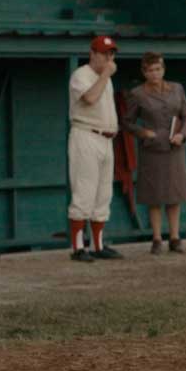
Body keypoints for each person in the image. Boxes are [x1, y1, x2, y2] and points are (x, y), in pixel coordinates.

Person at [122, 52, 186, 254]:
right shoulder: (138, 94)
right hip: (151, 149)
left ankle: (175, 237)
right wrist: (143, 132)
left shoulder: (177, 88)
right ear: (144, 72)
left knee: (175, 193)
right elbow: (127, 122)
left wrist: (182, 134)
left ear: (164, 69)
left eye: (158, 69)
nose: (155, 73)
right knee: (154, 195)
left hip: (174, 147)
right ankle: (156, 238)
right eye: (151, 70)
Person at [66, 35, 124, 262]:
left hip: (106, 138)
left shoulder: (105, 78)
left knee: (103, 193)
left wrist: (106, 75)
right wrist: (106, 74)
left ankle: (98, 244)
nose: (109, 58)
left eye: (111, 54)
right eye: (104, 53)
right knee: (84, 190)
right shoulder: (81, 75)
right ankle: (78, 247)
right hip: (86, 135)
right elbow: (89, 98)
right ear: (93, 54)